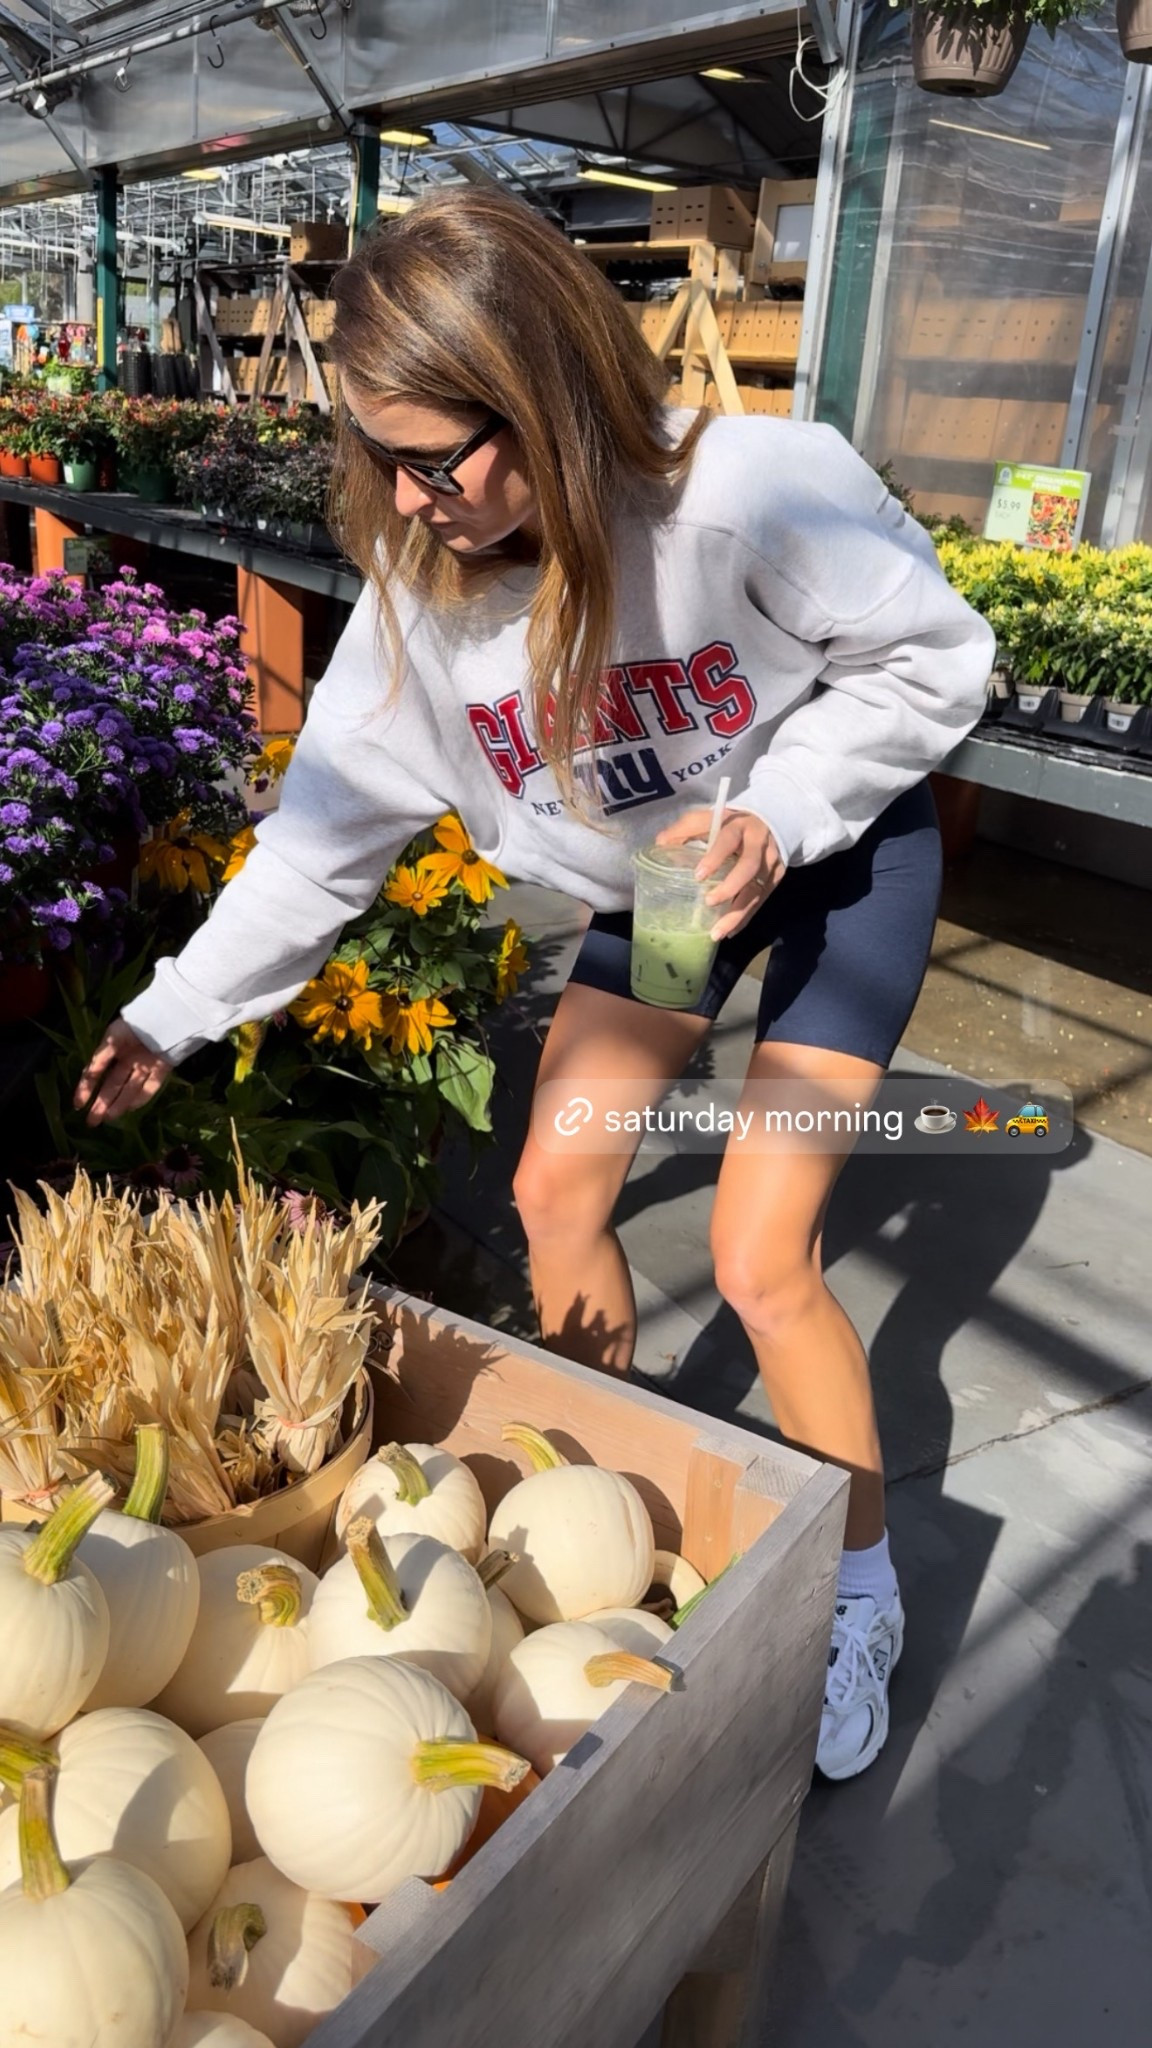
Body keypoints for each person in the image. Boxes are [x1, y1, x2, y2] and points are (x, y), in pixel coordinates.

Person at [74, 187, 994, 1780]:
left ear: (555, 386)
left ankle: (858, 1589)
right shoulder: (421, 619)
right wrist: (169, 1013)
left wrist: (782, 813)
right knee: (559, 1193)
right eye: (386, 459)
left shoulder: (752, 494)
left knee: (761, 1246)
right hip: (678, 882)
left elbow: (938, 658)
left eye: (452, 455)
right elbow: (317, 851)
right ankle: (596, 1527)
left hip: (836, 850)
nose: (421, 497)